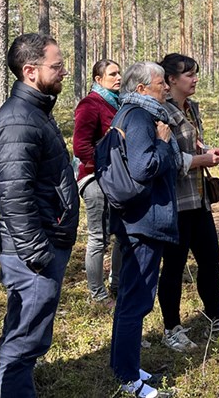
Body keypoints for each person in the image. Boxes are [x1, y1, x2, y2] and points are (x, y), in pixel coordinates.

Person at [0, 33, 80, 398]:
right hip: (31, 253)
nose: (63, 71)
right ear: (30, 71)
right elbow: (14, 198)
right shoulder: (17, 121)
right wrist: (38, 254)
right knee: (23, 341)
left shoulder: (33, 112)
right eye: (56, 66)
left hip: (40, 246)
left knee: (30, 335)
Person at [157, 53, 219, 352]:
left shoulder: (191, 107)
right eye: (188, 75)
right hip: (173, 202)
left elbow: (192, 145)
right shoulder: (160, 111)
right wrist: (201, 159)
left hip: (199, 199)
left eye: (195, 73)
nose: (194, 79)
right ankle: (171, 328)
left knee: (210, 260)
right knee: (173, 266)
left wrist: (208, 151)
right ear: (170, 80)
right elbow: (164, 158)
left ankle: (215, 319)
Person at [108, 62, 181, 398]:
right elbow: (143, 167)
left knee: (130, 299)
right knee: (136, 301)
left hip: (137, 220)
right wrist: (164, 144)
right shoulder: (138, 117)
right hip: (143, 222)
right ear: (141, 89)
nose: (166, 87)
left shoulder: (129, 113)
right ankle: (128, 379)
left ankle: (126, 366)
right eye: (160, 83)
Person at [73, 59, 123, 306]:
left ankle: (117, 285)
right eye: (112, 74)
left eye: (119, 73)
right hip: (94, 179)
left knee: (121, 234)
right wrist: (104, 167)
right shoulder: (90, 104)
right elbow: (81, 146)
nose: (118, 77)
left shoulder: (115, 102)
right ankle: (98, 295)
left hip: (116, 180)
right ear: (98, 79)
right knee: (98, 237)